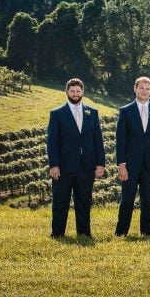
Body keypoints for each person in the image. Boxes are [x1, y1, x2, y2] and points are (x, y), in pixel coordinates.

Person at [46, 78, 105, 238]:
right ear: (67, 92)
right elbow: (52, 142)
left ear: (82, 92)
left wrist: (100, 164)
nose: (75, 94)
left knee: (84, 202)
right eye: (72, 91)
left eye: (78, 91)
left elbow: (98, 139)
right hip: (63, 167)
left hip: (86, 166)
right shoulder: (57, 114)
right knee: (60, 202)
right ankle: (57, 233)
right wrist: (54, 165)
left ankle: (84, 233)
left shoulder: (92, 113)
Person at [115, 76, 150, 237]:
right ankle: (121, 231)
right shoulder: (125, 111)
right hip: (130, 164)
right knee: (127, 199)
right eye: (141, 87)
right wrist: (121, 165)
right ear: (135, 89)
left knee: (147, 199)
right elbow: (121, 139)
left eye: (147, 88)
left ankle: (146, 231)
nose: (144, 91)